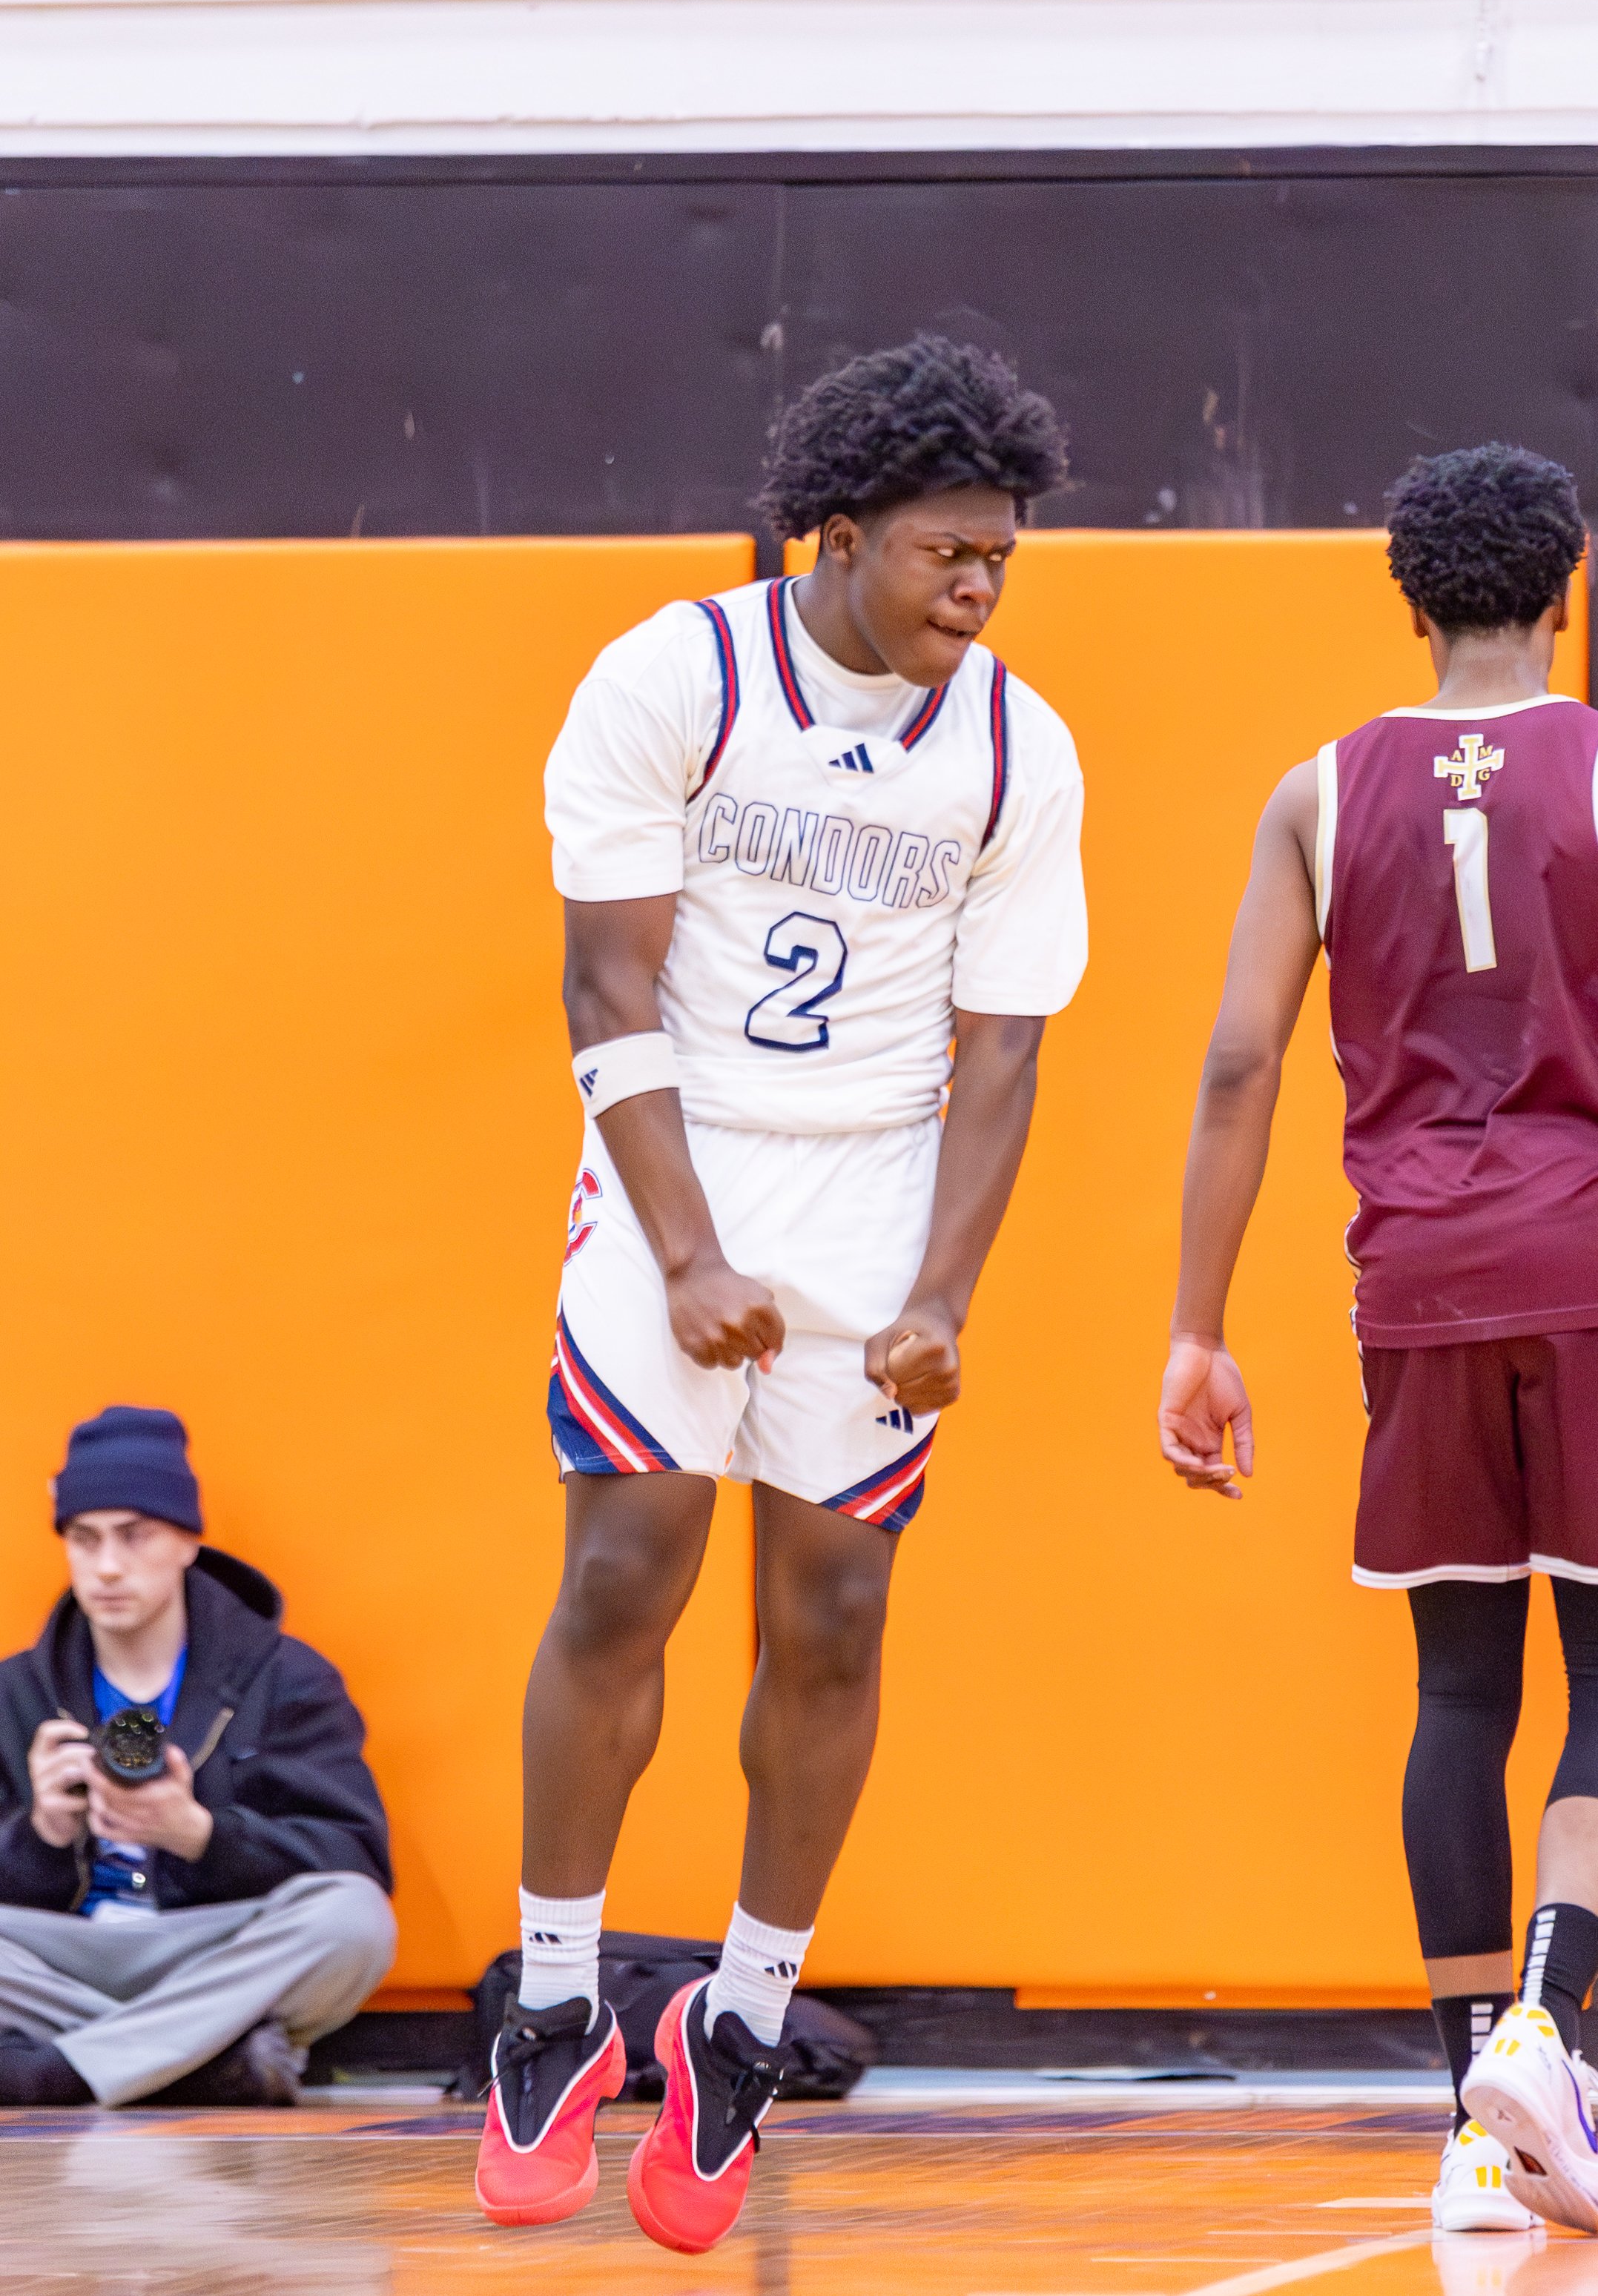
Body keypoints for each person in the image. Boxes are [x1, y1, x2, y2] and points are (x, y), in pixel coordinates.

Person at [475, 334, 1087, 2250]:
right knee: (623, 1570)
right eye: (945, 554)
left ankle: (738, 2020)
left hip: (876, 1184)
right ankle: (553, 2000)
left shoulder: (1018, 745)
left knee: (834, 1614)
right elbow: (603, 983)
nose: (976, 590)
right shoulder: (678, 674)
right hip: (685, 1152)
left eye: (999, 560)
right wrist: (685, 1253)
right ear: (836, 536)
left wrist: (941, 1295)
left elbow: (1005, 1049)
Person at [1155, 442, 1598, 2234]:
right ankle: (1547, 2029)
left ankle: (1475, 2137)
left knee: (1456, 1691)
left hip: (1414, 1277)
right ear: (1564, 589)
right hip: (1585, 1258)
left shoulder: (1315, 792)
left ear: (1407, 604)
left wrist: (1194, 1327)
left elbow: (1237, 1064)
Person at [0, 1405, 396, 2107]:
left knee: (355, 1920)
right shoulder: (18, 1690)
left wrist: (199, 1835)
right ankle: (203, 2062)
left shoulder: (286, 1677)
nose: (108, 1566)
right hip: (65, 1953)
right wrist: (42, 1836)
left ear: (187, 1541)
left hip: (218, 1951)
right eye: (85, 1539)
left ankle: (65, 2070)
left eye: (135, 1535)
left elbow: (357, 1858)